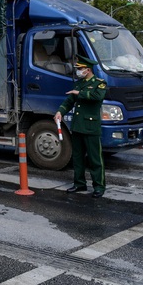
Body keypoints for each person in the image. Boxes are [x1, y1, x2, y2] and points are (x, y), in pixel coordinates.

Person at [54, 55, 108, 198]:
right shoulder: (79, 83)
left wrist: (80, 93)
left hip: (91, 126)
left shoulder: (99, 83)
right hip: (78, 126)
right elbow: (70, 100)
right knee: (77, 157)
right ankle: (79, 183)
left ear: (88, 70)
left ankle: (99, 186)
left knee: (94, 158)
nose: (78, 71)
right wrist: (60, 111)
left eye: (80, 69)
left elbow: (98, 97)